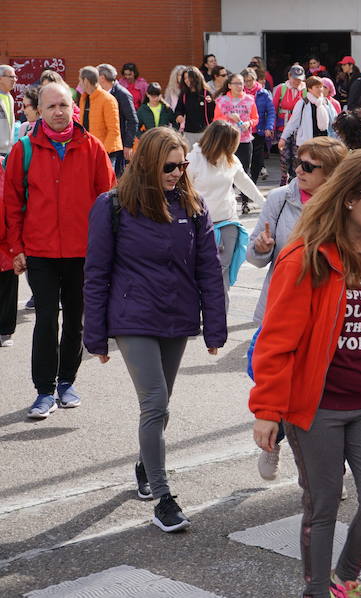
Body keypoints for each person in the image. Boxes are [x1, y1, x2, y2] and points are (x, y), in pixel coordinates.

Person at [250, 150, 361, 598]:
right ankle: (315, 592)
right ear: (348, 199)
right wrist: (268, 409)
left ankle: (343, 578)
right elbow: (277, 342)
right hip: (317, 407)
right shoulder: (304, 258)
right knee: (323, 504)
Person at [82, 125, 225, 532]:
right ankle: (163, 497)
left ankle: (146, 464)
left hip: (176, 317)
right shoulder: (111, 206)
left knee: (161, 406)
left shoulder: (193, 207)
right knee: (155, 402)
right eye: (168, 165)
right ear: (147, 163)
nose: (177, 172)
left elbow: (208, 271)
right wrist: (96, 336)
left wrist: (214, 328)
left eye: (182, 164)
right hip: (133, 318)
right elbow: (96, 274)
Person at [4, 82, 116, 419]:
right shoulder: (23, 150)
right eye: (51, 106)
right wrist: (16, 247)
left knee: (75, 321)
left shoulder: (93, 148)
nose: (57, 112)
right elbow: (11, 204)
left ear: (73, 109)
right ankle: (43, 391)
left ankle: (67, 382)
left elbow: (109, 201)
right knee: (46, 320)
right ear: (39, 111)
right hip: (40, 252)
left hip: (84, 253)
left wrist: (107, 249)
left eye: (63, 106)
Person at [247, 136, 348, 479]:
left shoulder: (343, 207)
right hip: (279, 312)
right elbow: (255, 258)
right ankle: (274, 440)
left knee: (319, 396)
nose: (299, 171)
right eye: (298, 163)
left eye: (309, 166)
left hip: (325, 317)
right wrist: (262, 246)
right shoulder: (280, 199)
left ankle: (318, 473)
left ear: (331, 174)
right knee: (279, 385)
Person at [186, 120, 263, 310]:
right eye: (232, 144)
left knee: (222, 270)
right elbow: (183, 190)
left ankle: (219, 311)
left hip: (228, 221)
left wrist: (267, 205)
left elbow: (245, 183)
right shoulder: (194, 159)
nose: (234, 149)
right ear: (220, 142)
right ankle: (198, 307)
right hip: (200, 222)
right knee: (201, 269)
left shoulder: (231, 160)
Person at [278, 76, 335, 182]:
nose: (320, 90)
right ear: (309, 89)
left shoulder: (325, 102)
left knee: (322, 170)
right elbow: (293, 123)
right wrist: (283, 138)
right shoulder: (303, 103)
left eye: (321, 87)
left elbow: (334, 121)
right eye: (317, 87)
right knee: (307, 169)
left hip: (323, 142)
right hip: (307, 143)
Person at [213, 72, 258, 176]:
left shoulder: (250, 99)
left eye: (241, 83)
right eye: (236, 83)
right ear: (229, 85)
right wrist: (227, 117)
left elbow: (255, 118)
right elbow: (216, 121)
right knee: (226, 171)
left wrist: (249, 123)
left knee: (244, 171)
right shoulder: (221, 101)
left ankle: (243, 193)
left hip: (244, 140)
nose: (239, 86)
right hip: (226, 140)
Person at [98, 64, 139, 176]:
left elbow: (132, 120)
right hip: (104, 142)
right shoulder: (100, 94)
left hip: (118, 145)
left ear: (102, 78)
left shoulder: (122, 94)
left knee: (115, 176)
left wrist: (128, 145)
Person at [78, 66, 122, 163]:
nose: (79, 84)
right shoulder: (84, 98)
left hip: (106, 153)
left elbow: (114, 131)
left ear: (85, 81)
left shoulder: (108, 100)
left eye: (80, 80)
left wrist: (102, 152)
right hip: (89, 151)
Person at [242, 68, 275, 184]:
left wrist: (269, 127)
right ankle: (244, 185)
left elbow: (271, 111)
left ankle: (253, 182)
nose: (248, 83)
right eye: (245, 81)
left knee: (257, 159)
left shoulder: (263, 93)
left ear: (255, 80)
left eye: (250, 80)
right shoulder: (240, 92)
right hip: (243, 131)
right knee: (244, 159)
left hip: (258, 130)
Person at [0, 162, 18, 347]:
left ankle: (6, 330)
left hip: (6, 243)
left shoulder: (4, 168)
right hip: (6, 242)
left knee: (7, 286)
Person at [175, 66, 216, 147]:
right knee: (189, 157)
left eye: (189, 77)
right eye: (185, 78)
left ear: (196, 78)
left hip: (204, 132)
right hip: (188, 132)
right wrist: (179, 116)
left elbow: (213, 113)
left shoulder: (206, 93)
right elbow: (178, 109)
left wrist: (210, 103)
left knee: (205, 157)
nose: (187, 80)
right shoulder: (183, 95)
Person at [0, 65, 17, 157]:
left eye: (15, 77)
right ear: (0, 79)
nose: (14, 80)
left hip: (8, 151)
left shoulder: (10, 97)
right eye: (11, 77)